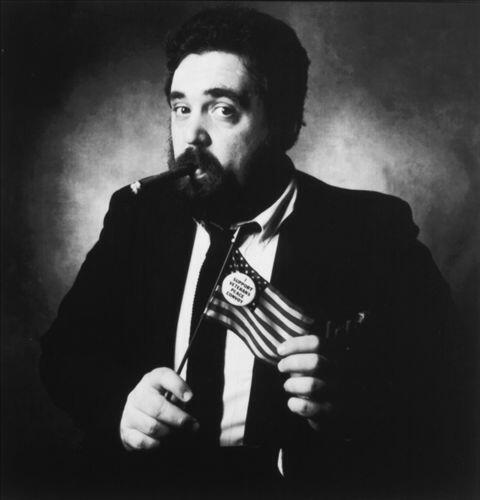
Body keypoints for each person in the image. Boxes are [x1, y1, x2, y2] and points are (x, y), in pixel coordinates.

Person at [40, 6, 468, 499]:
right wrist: (120, 406)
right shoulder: (138, 213)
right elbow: (63, 354)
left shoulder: (372, 231)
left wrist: (359, 402)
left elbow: (451, 386)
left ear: (283, 123)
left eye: (222, 109)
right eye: (181, 108)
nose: (191, 136)